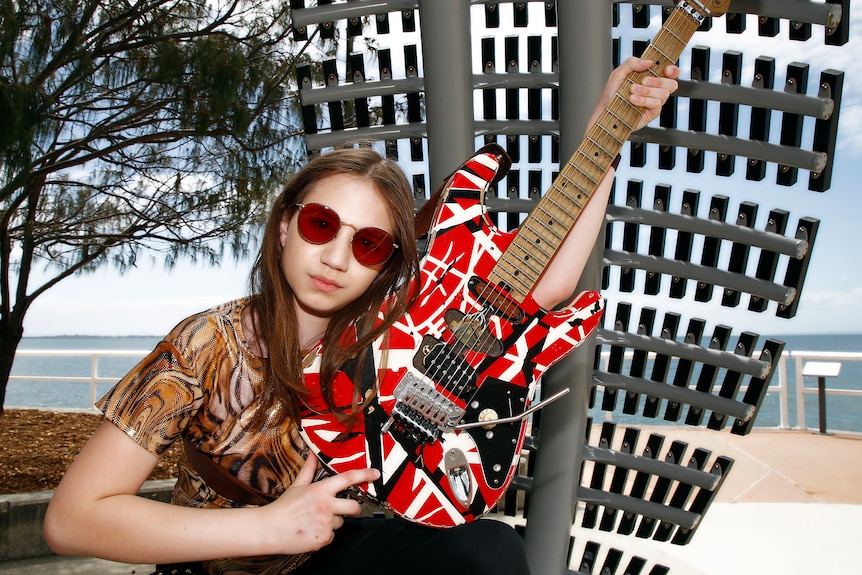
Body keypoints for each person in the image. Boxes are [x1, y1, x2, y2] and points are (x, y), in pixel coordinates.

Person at [44, 57, 679, 575]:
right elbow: (73, 519)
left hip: (324, 558)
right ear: (288, 225)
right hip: (218, 564)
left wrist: (611, 128)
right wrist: (264, 524)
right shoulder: (208, 343)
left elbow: (543, 286)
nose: (338, 257)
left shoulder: (391, 327)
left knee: (488, 552)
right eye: (322, 225)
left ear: (387, 261)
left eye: (369, 242)